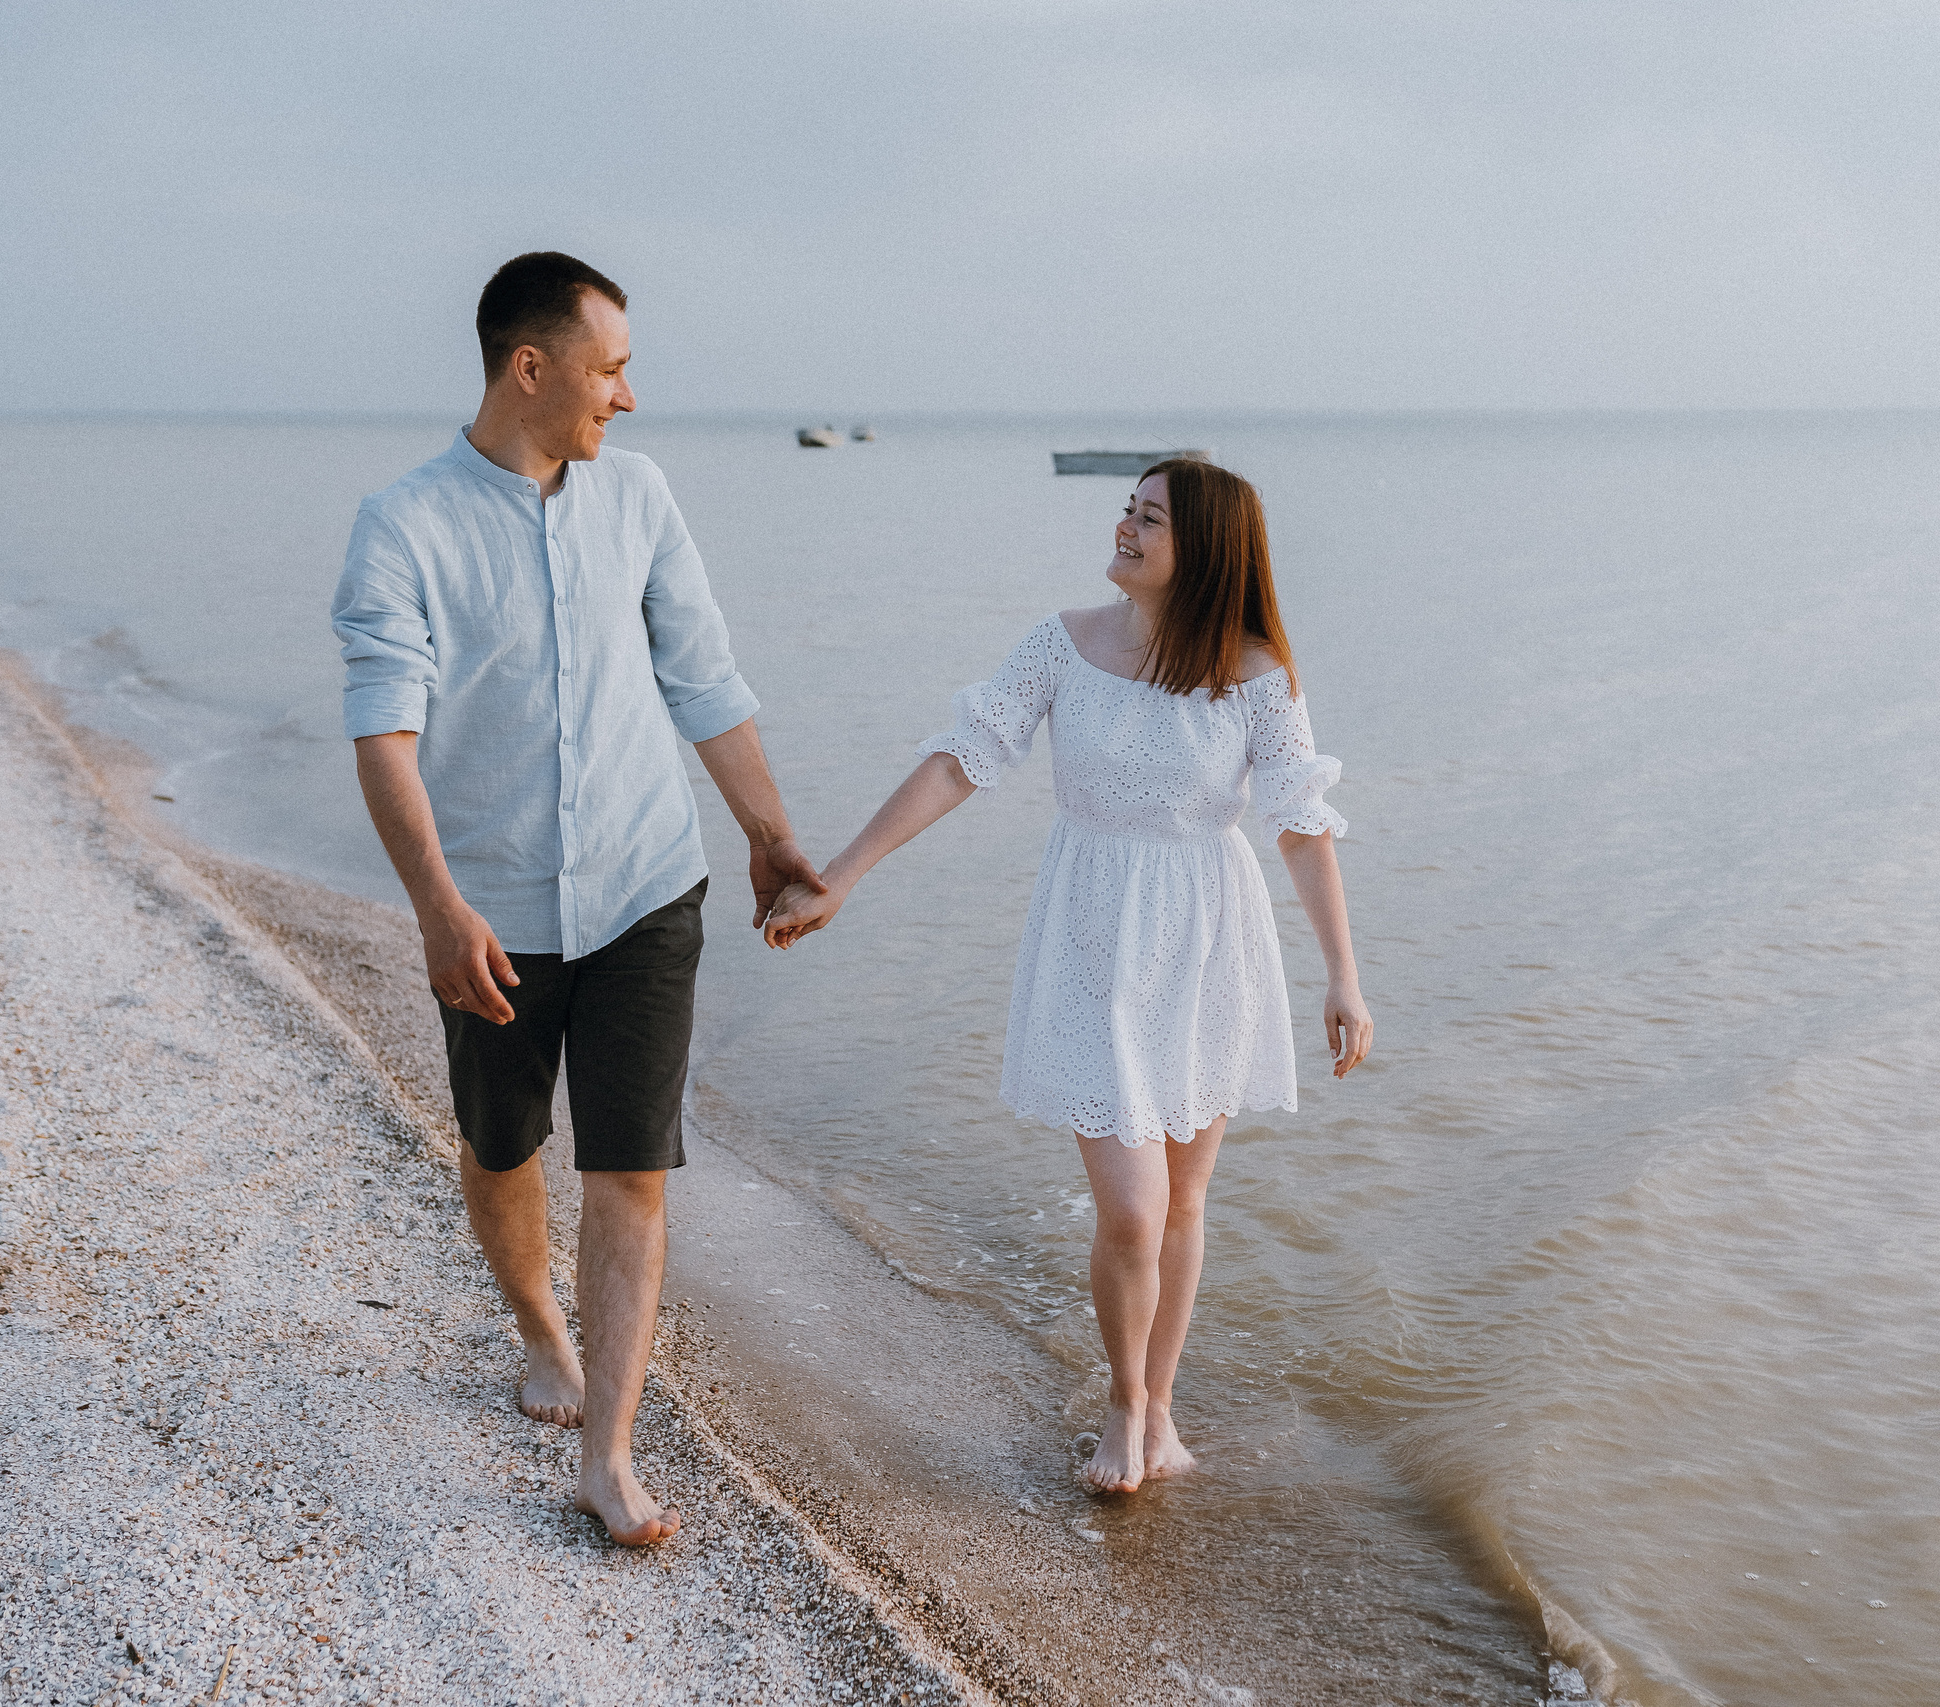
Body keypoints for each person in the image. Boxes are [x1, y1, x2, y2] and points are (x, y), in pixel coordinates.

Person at [761, 459, 1373, 1494]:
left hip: (1207, 942)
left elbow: (1301, 827)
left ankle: (1161, 1409)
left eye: (1150, 519)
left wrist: (1342, 978)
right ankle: (1123, 1404)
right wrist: (846, 875)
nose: (1125, 528)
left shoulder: (1257, 673)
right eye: (1127, 509)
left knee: (1183, 1201)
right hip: (1092, 937)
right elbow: (964, 757)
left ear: (1206, 549)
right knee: (1132, 1208)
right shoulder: (1062, 642)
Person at [330, 252, 819, 1546]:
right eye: (612, 369)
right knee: (501, 1150)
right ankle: (542, 1326)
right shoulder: (405, 526)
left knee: (632, 1171)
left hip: (647, 885)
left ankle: (609, 1451)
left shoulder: (640, 496)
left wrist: (768, 831)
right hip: (488, 911)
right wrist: (435, 904)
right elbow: (384, 735)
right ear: (530, 367)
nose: (630, 397)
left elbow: (704, 676)